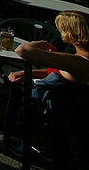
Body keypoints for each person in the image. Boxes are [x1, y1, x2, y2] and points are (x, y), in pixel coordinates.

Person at [7, 10, 89, 138]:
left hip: (55, 110)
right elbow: (60, 74)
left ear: (69, 33)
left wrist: (40, 43)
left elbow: (22, 50)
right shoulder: (78, 59)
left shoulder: (78, 61)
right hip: (62, 105)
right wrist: (26, 73)